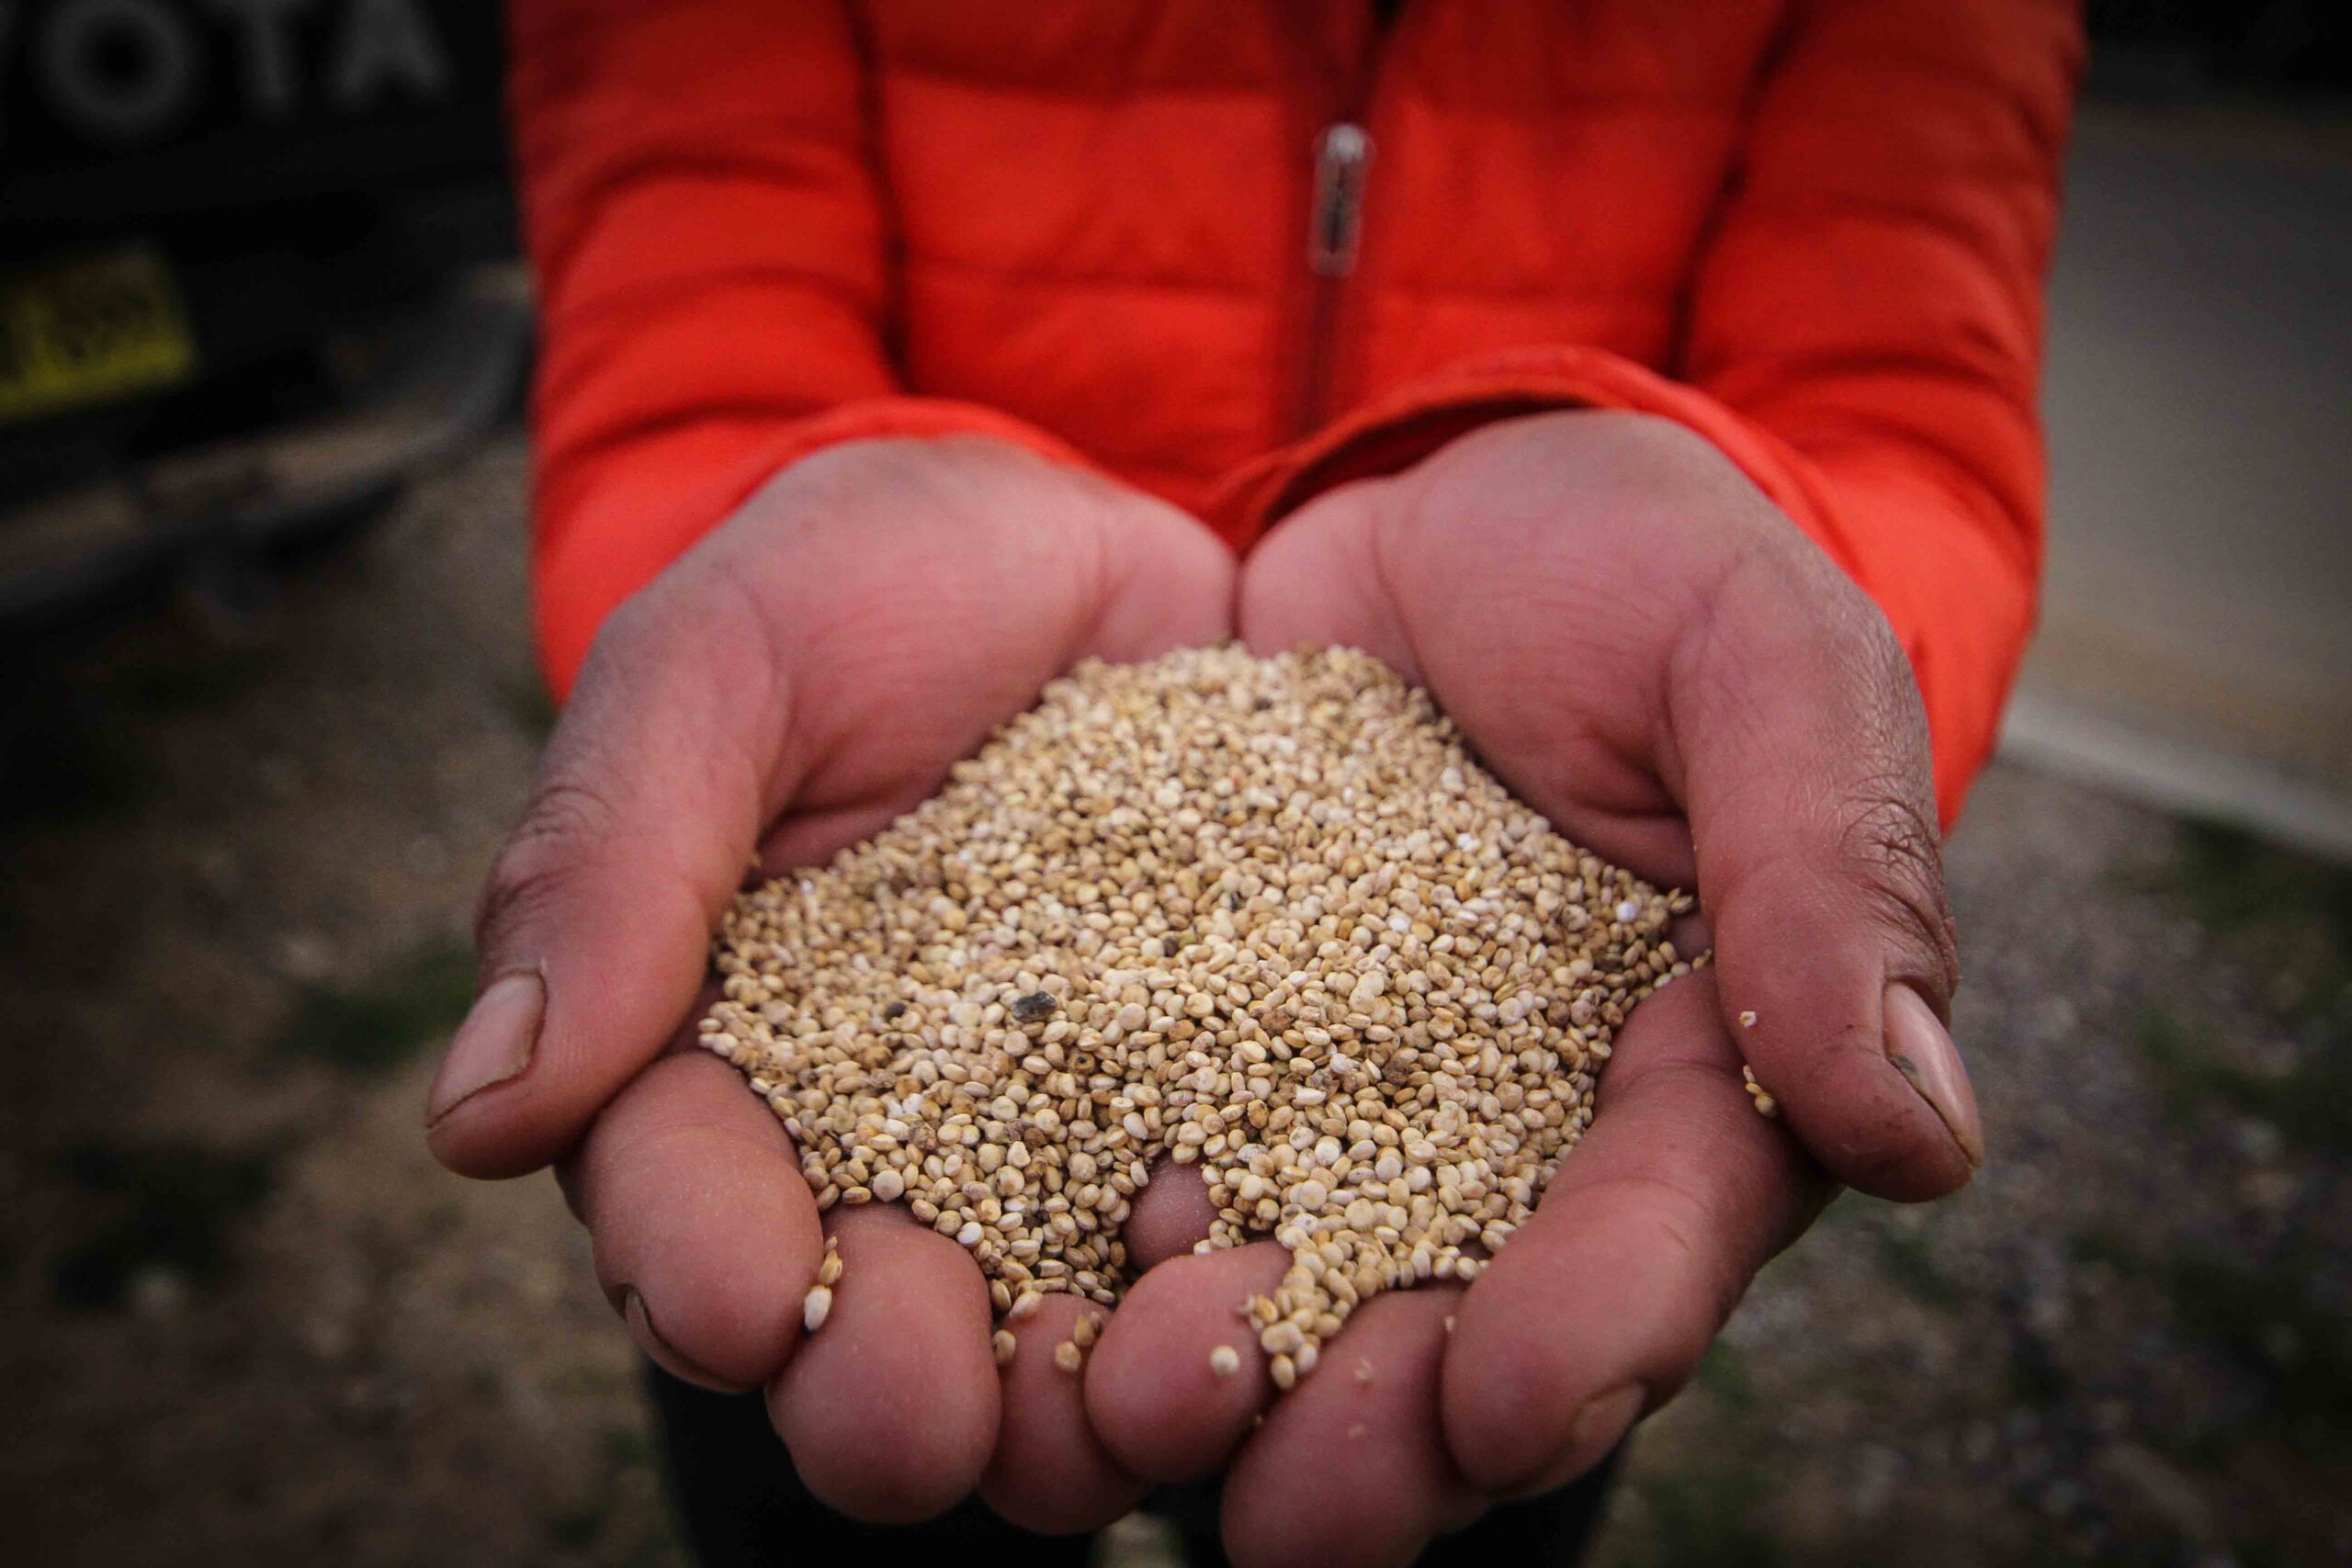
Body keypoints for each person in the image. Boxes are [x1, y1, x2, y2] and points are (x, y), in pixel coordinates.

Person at [424, 3, 2083, 1563]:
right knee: (841, 1417)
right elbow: (687, 251)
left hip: (1546, 756)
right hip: (886, 719)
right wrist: (737, 529)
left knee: (1458, 1433)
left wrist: (1783, 609)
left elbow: (1899, 382)